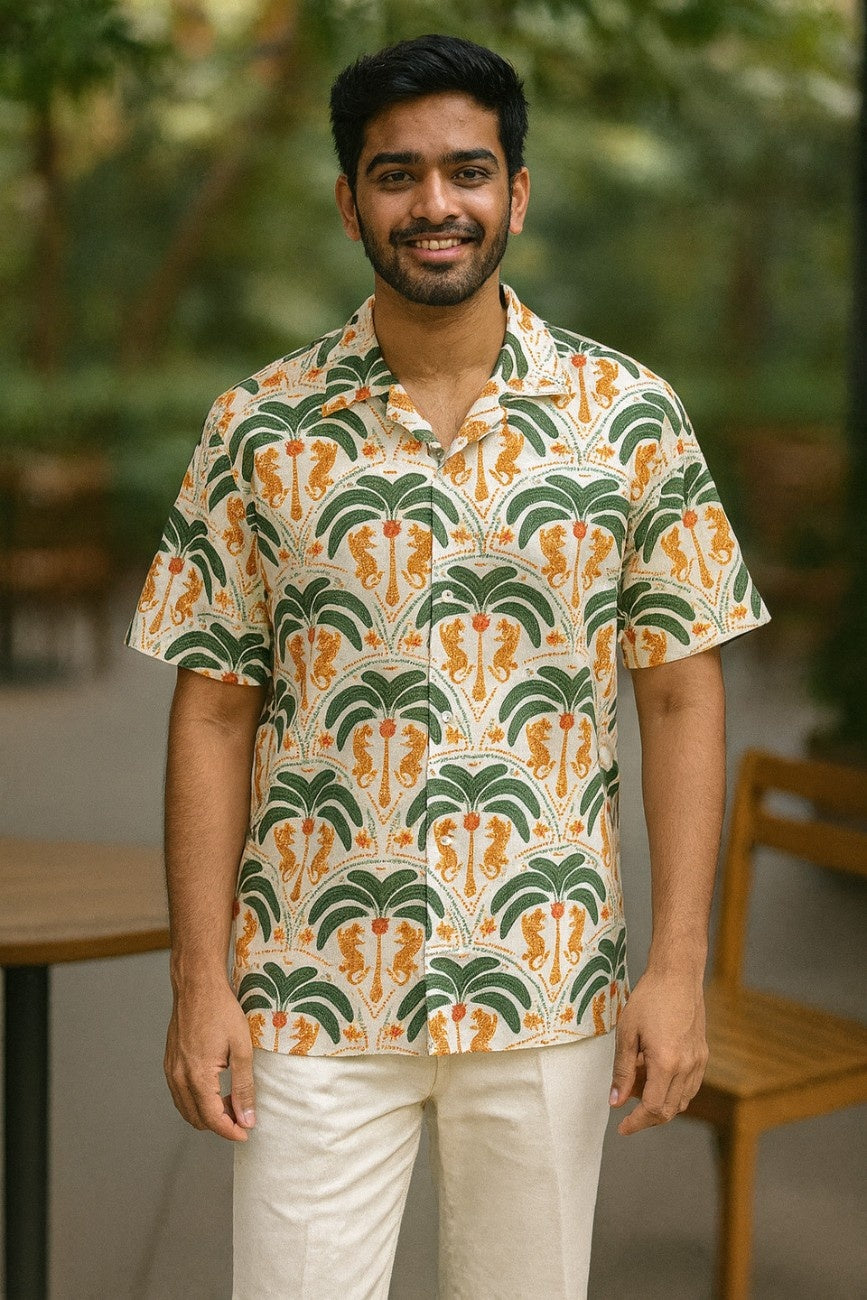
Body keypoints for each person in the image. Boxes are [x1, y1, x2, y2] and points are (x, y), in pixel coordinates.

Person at [126, 32, 771, 1300]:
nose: (436, 205)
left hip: (548, 978)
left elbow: (683, 692)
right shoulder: (258, 424)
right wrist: (200, 985)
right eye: (397, 173)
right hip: (308, 994)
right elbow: (210, 716)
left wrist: (679, 970)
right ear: (349, 198)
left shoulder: (629, 414)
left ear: (516, 192)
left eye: (468, 171)